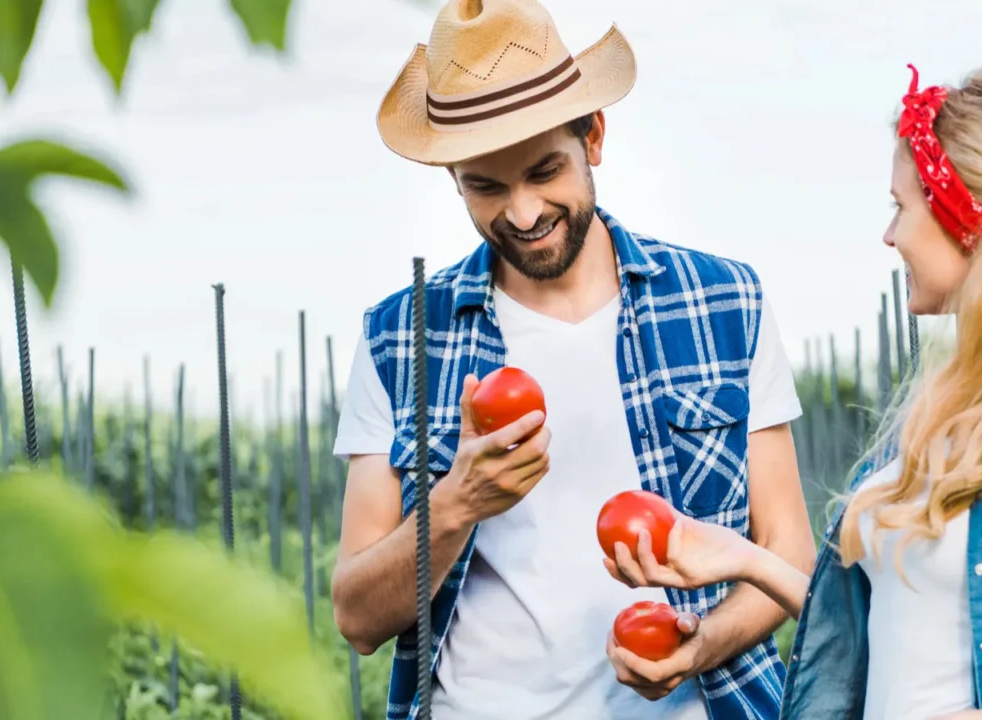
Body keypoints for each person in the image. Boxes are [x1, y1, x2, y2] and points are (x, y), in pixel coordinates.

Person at [608, 64, 982, 719]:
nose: (890, 235)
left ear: (970, 219)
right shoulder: (932, 415)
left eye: (901, 207)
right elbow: (892, 624)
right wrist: (744, 559)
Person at [328, 1, 815, 718]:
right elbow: (357, 619)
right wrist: (457, 503)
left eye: (543, 171)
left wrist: (701, 645)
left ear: (594, 136)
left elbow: (790, 551)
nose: (522, 213)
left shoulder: (723, 304)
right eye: (486, 186)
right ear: (453, 179)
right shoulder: (399, 339)